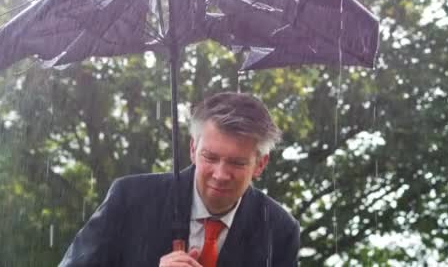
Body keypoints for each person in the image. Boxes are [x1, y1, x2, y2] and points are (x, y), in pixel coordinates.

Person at [58, 92, 300, 267]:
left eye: (237, 163)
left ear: (260, 164)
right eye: (210, 157)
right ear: (193, 149)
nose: (220, 174)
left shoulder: (279, 230)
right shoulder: (130, 198)